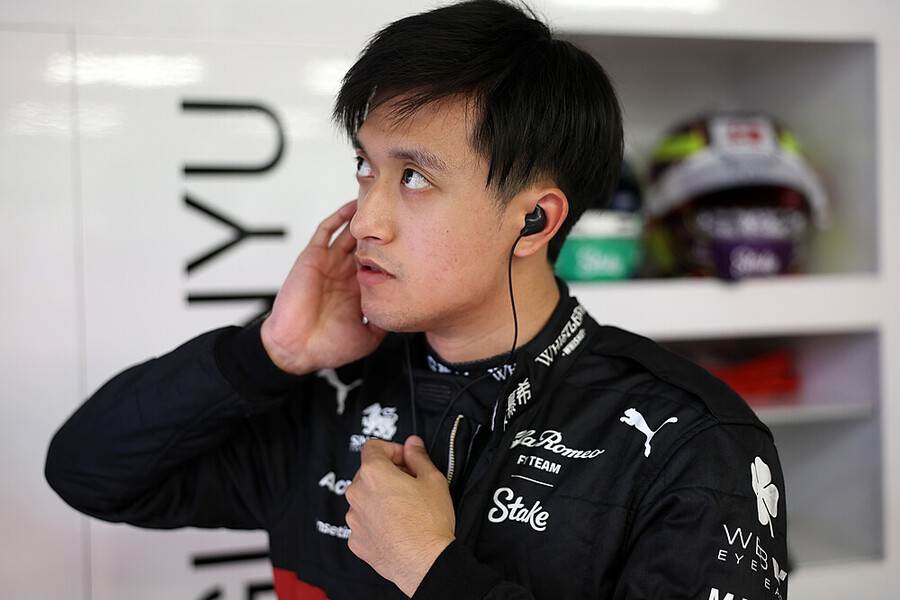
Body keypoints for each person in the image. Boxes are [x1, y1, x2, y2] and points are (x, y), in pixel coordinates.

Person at [45, 1, 789, 599]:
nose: (365, 218)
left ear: (535, 221)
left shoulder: (691, 441)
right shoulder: (322, 388)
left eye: (414, 178)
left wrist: (432, 572)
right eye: (366, 167)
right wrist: (267, 354)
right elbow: (88, 474)